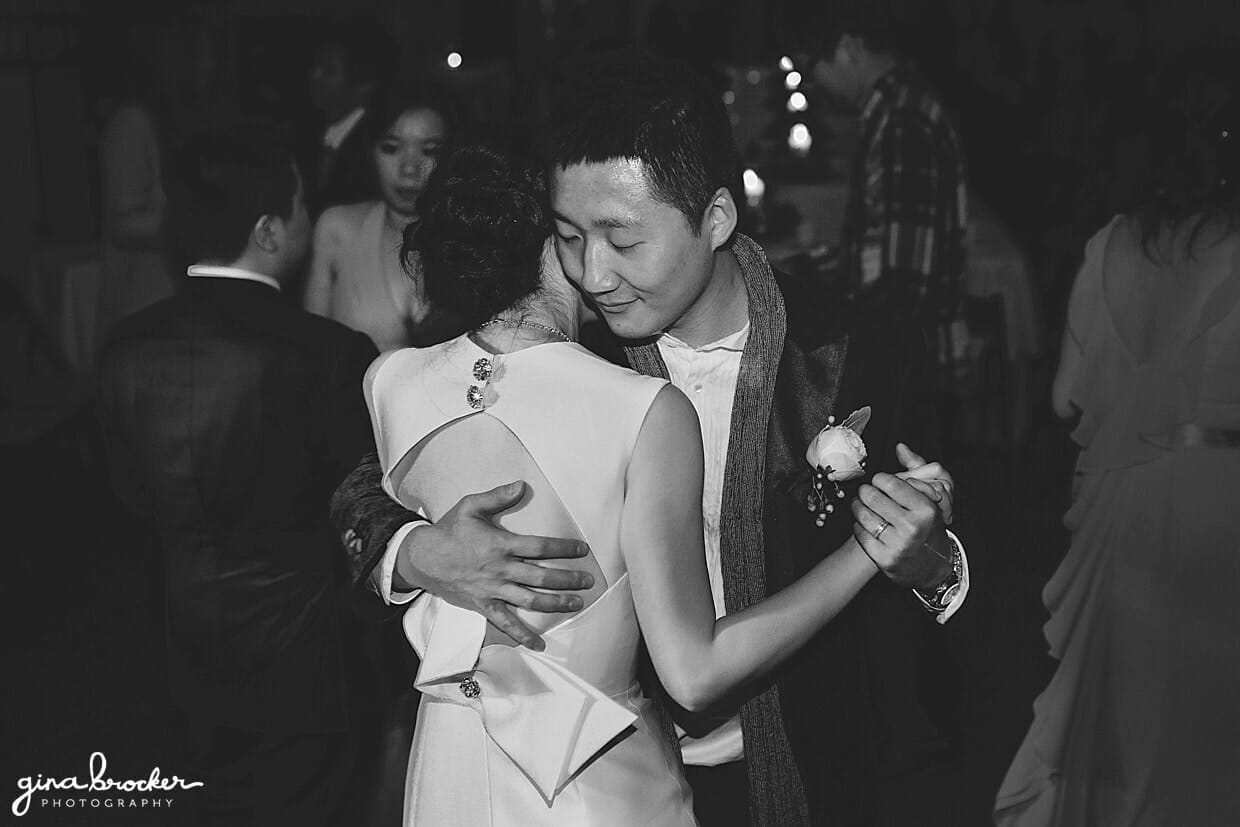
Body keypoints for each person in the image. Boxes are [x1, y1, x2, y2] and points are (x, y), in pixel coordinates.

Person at [335, 53, 972, 826]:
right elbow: (368, 478)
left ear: (716, 220)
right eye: (568, 237)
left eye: (622, 240)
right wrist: (416, 552)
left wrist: (933, 564)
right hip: (608, 770)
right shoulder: (570, 353)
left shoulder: (851, 354)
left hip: (811, 762)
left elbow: (963, 550)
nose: (593, 274)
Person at [96, 131, 378, 825]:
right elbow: (363, 517)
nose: (309, 217)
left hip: (178, 661)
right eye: (300, 203)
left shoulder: (123, 348)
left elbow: (123, 509)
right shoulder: (330, 355)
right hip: (306, 669)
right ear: (269, 230)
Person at [994, 55, 1240, 827]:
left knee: (1129, 739)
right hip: (1224, 509)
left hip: (1125, 512)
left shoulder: (1107, 244)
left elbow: (1067, 396)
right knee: (1208, 743)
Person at [810, 3, 968, 374]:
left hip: (914, 357)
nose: (815, 80)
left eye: (814, 63)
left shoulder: (903, 120)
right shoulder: (894, 108)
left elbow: (906, 282)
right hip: (905, 346)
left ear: (848, 47)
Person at [303, 83, 456, 352]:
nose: (409, 169)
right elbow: (310, 354)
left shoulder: (472, 240)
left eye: (429, 151)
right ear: (371, 152)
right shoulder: (337, 229)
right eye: (391, 148)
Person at [305, 20, 398, 214]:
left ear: (364, 85)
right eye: (315, 66)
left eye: (328, 69)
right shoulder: (307, 134)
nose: (314, 75)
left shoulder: (374, 145)